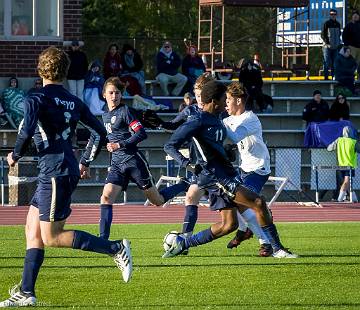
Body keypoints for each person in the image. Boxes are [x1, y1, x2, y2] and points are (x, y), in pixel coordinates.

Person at [0, 47, 133, 308]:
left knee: (51, 236)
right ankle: (26, 291)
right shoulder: (73, 100)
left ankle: (115, 248)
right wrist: (84, 161)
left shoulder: (35, 96)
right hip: (60, 169)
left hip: (54, 172)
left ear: (40, 70)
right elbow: (99, 132)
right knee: (32, 229)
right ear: (65, 71)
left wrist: (14, 155)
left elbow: (26, 130)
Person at [163, 81, 297, 259]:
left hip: (240, 170)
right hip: (218, 177)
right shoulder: (202, 120)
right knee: (258, 204)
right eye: (223, 99)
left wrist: (224, 151)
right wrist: (187, 163)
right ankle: (275, 248)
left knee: (229, 224)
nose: (225, 102)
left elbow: (219, 141)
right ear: (214, 101)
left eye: (228, 99)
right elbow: (171, 144)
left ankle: (183, 243)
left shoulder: (228, 119)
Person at [96, 77, 189, 240]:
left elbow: (141, 134)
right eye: (111, 93)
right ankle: (103, 240)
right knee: (105, 197)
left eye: (117, 93)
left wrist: (119, 145)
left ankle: (183, 184)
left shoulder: (126, 111)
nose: (114, 96)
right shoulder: (105, 115)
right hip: (117, 164)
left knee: (157, 201)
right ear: (104, 94)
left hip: (133, 162)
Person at [223, 81, 273, 255]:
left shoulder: (251, 118)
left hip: (258, 168)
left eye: (228, 100)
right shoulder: (227, 119)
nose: (225, 103)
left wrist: (218, 125)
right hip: (244, 168)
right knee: (231, 201)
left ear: (238, 100)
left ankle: (266, 243)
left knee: (242, 201)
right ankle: (245, 230)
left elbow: (235, 136)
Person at [327, 126, 360, 202]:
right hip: (349, 165)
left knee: (347, 183)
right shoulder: (353, 142)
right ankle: (340, 199)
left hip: (340, 165)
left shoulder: (339, 140)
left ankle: (354, 199)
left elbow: (329, 148)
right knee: (346, 182)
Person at [321, 9, 342, 80]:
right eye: (332, 14)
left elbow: (339, 34)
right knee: (327, 62)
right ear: (330, 15)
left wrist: (338, 43)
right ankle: (326, 78)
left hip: (335, 47)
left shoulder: (338, 24)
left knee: (335, 63)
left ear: (336, 15)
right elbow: (323, 34)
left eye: (334, 14)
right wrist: (327, 43)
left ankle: (334, 77)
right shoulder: (326, 23)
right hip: (327, 47)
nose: (333, 15)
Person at [342, 10, 360, 79]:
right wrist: (347, 46)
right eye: (354, 14)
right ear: (352, 16)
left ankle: (358, 80)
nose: (355, 16)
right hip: (352, 48)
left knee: (359, 66)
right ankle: (349, 79)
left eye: (357, 14)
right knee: (351, 65)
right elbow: (344, 36)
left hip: (359, 49)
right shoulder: (349, 25)